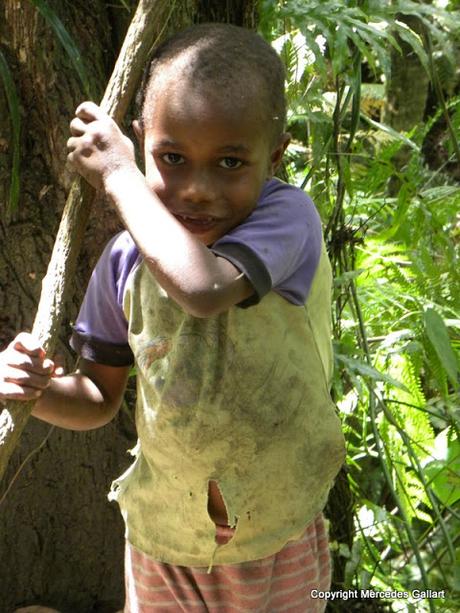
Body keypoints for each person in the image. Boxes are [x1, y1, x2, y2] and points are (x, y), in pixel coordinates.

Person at [0, 23, 345, 612]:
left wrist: (119, 174)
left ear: (275, 156)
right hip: (165, 539)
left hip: (276, 533)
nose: (196, 190)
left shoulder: (287, 219)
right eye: (172, 158)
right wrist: (32, 388)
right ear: (142, 140)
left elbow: (203, 287)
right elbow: (96, 398)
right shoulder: (124, 264)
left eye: (231, 162)